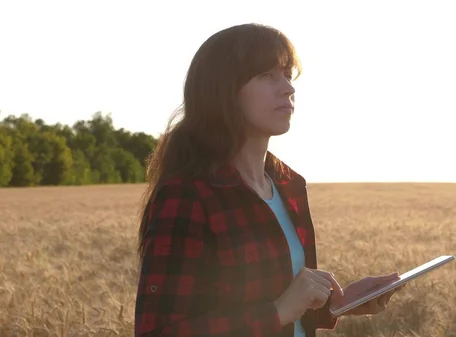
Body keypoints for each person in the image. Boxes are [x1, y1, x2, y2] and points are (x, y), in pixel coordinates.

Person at [134, 23, 404, 337]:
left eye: (288, 75)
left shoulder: (289, 185)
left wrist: (337, 305)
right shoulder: (188, 195)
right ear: (223, 89)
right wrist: (278, 311)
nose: (288, 88)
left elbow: (285, 310)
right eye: (267, 75)